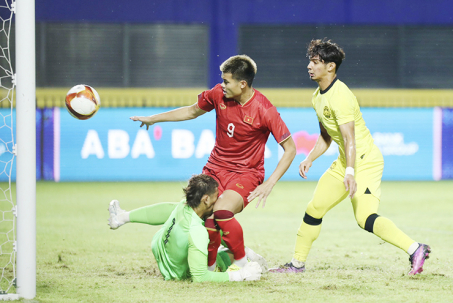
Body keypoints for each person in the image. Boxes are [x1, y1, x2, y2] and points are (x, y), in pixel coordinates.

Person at [270, 39, 430, 275]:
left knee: (364, 218)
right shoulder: (317, 96)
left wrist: (350, 173)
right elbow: (326, 135)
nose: (309, 66)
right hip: (346, 162)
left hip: (365, 162)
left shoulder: (341, 96)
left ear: (330, 66)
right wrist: (310, 157)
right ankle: (296, 264)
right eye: (310, 62)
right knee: (314, 208)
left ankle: (415, 248)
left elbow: (349, 139)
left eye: (315, 62)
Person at [130, 55, 296, 270]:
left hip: (246, 173)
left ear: (242, 84)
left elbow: (290, 149)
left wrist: (269, 183)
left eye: (227, 81)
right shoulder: (219, 94)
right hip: (215, 169)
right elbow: (191, 111)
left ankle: (242, 263)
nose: (222, 85)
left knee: (222, 212)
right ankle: (208, 268)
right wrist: (153, 118)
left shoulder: (264, 110)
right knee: (203, 216)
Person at [108, 174, 263, 282]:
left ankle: (122, 217)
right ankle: (243, 256)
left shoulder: (185, 206)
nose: (219, 201)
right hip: (176, 272)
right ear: (206, 199)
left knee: (176, 212)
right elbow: (201, 278)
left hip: (160, 250)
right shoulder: (198, 232)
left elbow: (160, 211)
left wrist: (125, 217)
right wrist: (241, 275)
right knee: (227, 255)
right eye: (217, 197)